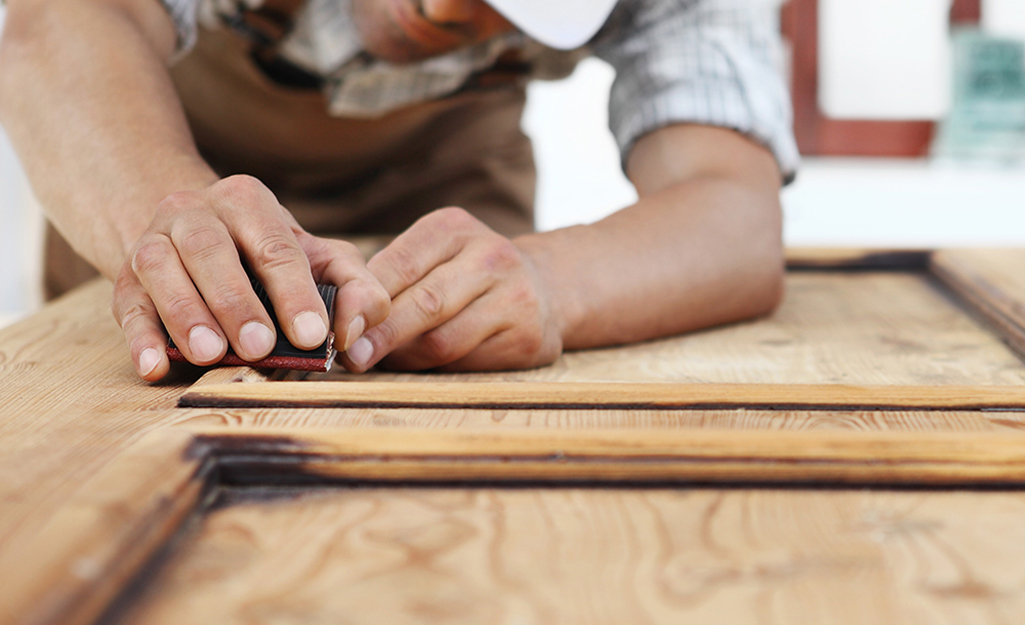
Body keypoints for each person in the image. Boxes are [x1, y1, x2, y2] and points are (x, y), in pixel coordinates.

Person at [0, 0, 798, 381]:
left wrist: (556, 283)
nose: (440, 9)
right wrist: (165, 220)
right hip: (156, 156)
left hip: (443, 181)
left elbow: (732, 207)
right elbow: (58, 23)